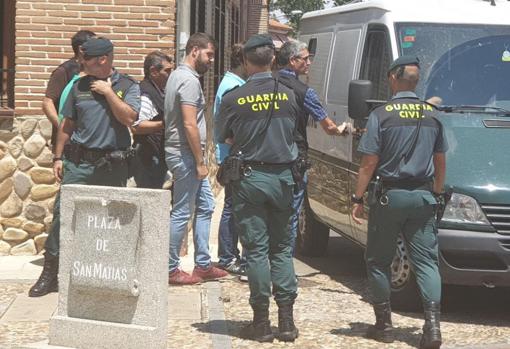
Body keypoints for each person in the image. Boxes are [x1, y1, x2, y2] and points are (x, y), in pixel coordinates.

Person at [28, 37, 141, 297]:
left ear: (102, 60)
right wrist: (58, 157)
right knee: (62, 217)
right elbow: (67, 125)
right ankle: (51, 273)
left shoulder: (127, 85)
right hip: (79, 163)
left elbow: (130, 118)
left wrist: (108, 93)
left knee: (112, 221)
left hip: (112, 165)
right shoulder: (77, 86)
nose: (80, 63)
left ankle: (108, 274)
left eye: (84, 60)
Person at [351, 56, 448, 349]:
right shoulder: (431, 115)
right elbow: (440, 162)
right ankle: (432, 329)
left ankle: (384, 327)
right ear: (415, 82)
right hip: (423, 196)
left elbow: (369, 163)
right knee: (427, 263)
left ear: (393, 78)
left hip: (389, 197)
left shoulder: (381, 115)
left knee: (378, 261)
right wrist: (438, 194)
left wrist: (357, 198)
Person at [216, 34, 300, 343]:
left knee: (256, 251)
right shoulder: (290, 95)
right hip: (283, 179)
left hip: (251, 179)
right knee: (281, 249)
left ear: (246, 61)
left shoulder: (233, 97)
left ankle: (262, 323)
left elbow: (223, 137)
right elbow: (296, 132)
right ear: (273, 61)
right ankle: (287, 322)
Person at [275, 40, 350, 252]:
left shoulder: (265, 83)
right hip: (293, 160)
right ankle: (284, 269)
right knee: (290, 217)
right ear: (292, 61)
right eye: (306, 58)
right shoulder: (304, 92)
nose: (309, 62)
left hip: (263, 160)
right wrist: (342, 129)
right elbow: (329, 127)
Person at [165, 33, 228, 285]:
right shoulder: (188, 80)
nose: (211, 60)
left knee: (206, 206)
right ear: (194, 50)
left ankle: (203, 264)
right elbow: (190, 124)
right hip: (185, 154)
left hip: (186, 153)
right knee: (182, 212)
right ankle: (169, 268)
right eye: (209, 54)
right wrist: (200, 161)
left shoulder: (180, 76)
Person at [214, 43, 248, 280]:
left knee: (232, 206)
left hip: (231, 154)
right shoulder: (233, 87)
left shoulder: (234, 83)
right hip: (232, 155)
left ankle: (228, 254)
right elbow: (228, 126)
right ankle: (227, 257)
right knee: (232, 208)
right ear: (244, 61)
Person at [42, 30, 95, 151]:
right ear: (81, 49)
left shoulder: (96, 71)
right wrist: (63, 128)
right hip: (67, 144)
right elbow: (47, 103)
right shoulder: (64, 71)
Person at [132, 51, 174, 189]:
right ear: (154, 72)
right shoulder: (146, 94)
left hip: (157, 156)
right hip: (148, 157)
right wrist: (165, 124)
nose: (170, 74)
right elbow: (137, 126)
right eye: (167, 71)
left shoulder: (160, 91)